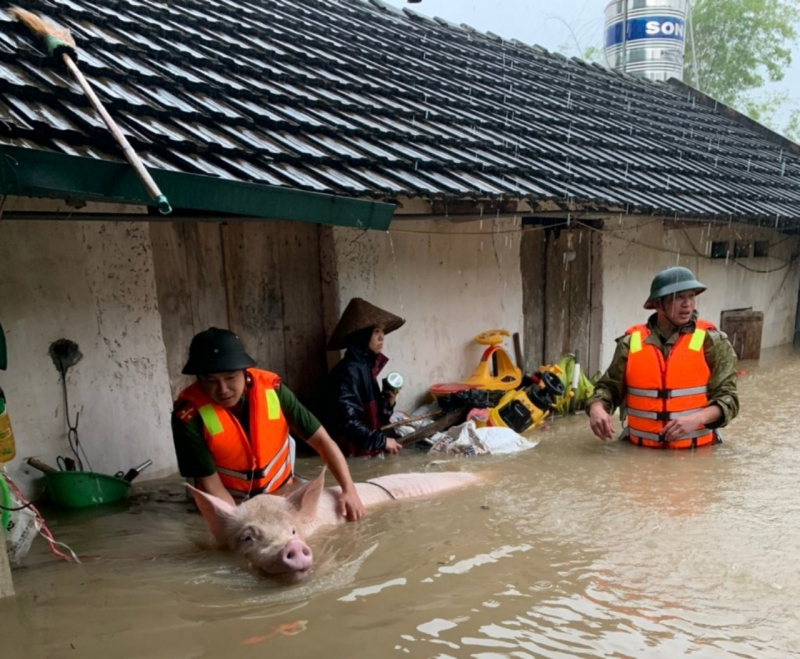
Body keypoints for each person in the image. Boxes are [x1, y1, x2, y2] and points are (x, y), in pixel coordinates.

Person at [171, 327, 365, 520]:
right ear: (199, 379)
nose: (223, 389)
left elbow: (322, 441)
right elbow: (210, 485)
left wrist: (349, 489)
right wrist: (240, 524)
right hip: (229, 504)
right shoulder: (188, 415)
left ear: (245, 372)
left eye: (230, 377)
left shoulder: (273, 390)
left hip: (281, 493)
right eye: (210, 380)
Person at [587, 266, 739, 449]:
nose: (687, 304)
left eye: (691, 296)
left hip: (696, 455)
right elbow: (609, 388)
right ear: (658, 304)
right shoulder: (630, 342)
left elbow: (729, 399)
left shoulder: (712, 341)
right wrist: (596, 408)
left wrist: (698, 419)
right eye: (679, 297)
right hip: (640, 453)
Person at [325, 298, 405, 457]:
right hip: (349, 454)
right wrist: (382, 442)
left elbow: (374, 419)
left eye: (382, 331)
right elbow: (347, 422)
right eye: (376, 331)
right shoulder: (347, 371)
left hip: (366, 452)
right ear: (361, 335)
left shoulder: (366, 367)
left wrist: (388, 403)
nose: (382, 336)